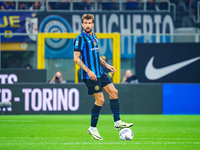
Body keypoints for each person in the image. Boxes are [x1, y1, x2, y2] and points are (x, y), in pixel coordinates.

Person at [74, 14, 133, 141]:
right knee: (100, 100)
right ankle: (92, 128)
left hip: (100, 72)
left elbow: (97, 56)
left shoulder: (94, 37)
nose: (88, 25)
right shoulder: (80, 38)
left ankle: (117, 122)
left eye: (90, 23)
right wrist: (89, 71)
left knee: (114, 93)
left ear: (93, 24)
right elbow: (76, 58)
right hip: (90, 75)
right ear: (82, 24)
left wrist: (107, 65)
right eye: (85, 23)